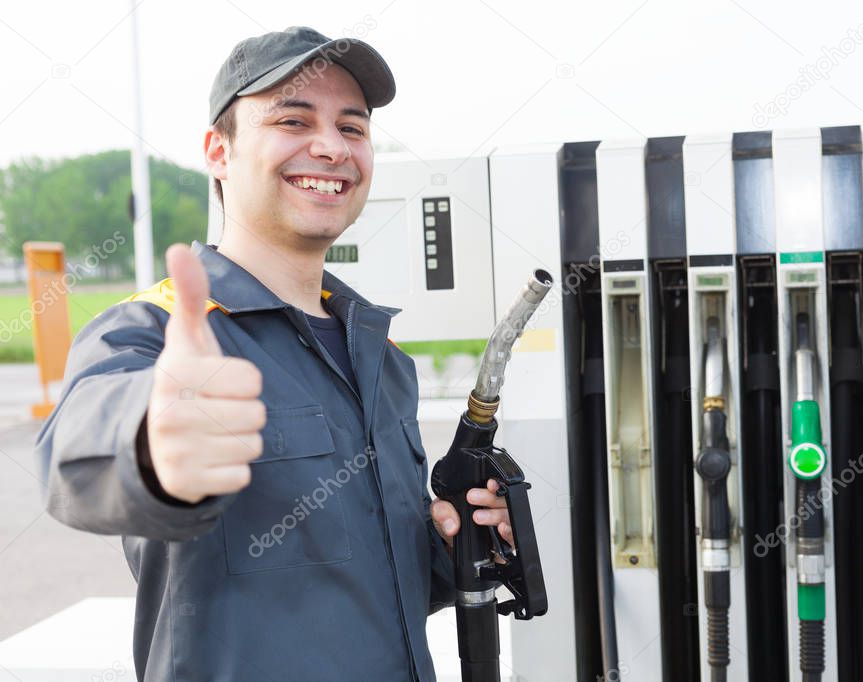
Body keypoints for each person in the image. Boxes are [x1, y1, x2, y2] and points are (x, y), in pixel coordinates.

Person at [35, 26, 514, 682]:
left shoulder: (379, 353)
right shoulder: (158, 329)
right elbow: (73, 462)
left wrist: (455, 542)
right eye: (292, 118)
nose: (330, 146)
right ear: (218, 152)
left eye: (352, 127)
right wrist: (150, 443)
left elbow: (367, 584)